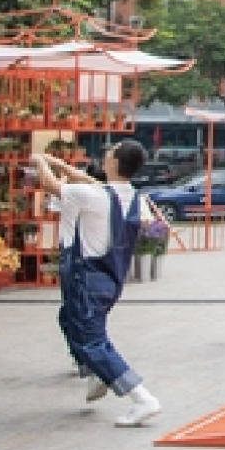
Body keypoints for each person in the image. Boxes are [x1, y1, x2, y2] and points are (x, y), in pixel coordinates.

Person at [33, 141, 163, 427]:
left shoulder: (92, 195)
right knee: (69, 319)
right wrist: (64, 166)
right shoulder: (131, 197)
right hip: (110, 279)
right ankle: (94, 374)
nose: (104, 155)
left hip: (86, 277)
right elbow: (91, 183)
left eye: (109, 152)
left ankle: (142, 398)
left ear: (114, 163)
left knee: (93, 340)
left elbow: (50, 185)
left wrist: (39, 162)